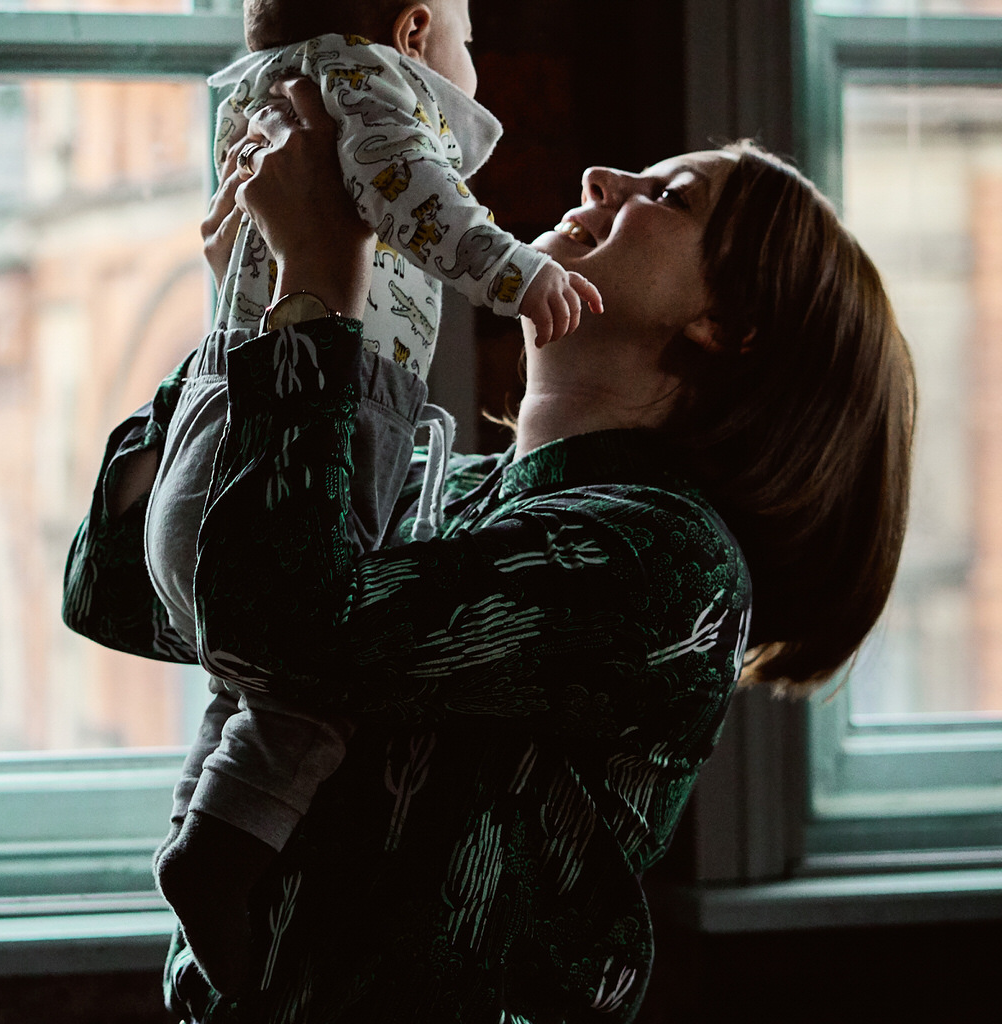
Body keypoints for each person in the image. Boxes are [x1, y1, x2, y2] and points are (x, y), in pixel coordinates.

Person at [63, 109, 915, 1019]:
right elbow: (119, 588)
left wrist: (318, 281)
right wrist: (250, 301)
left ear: (729, 322)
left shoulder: (663, 566)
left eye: (668, 196)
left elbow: (281, 628)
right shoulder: (454, 492)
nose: (598, 178)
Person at [118, 0, 602, 993]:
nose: (471, 67)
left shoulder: (270, 101)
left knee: (248, 687)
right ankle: (217, 855)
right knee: (310, 686)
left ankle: (201, 836)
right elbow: (420, 196)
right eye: (469, 40)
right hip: (313, 423)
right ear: (415, 32)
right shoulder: (372, 89)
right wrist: (515, 272)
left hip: (216, 443)